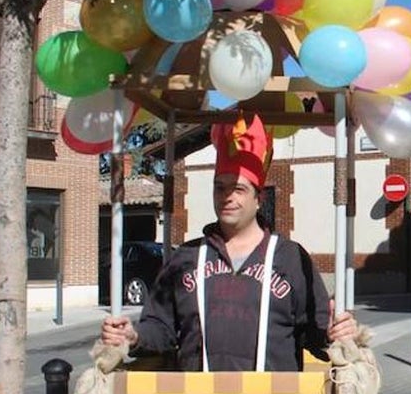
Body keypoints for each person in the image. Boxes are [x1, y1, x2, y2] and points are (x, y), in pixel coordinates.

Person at [100, 113, 356, 369]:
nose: (228, 197)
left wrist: (333, 333)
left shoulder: (291, 258)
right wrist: (133, 337)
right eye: (220, 187)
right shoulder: (185, 258)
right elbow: (160, 328)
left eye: (239, 189)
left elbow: (316, 334)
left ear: (259, 199)